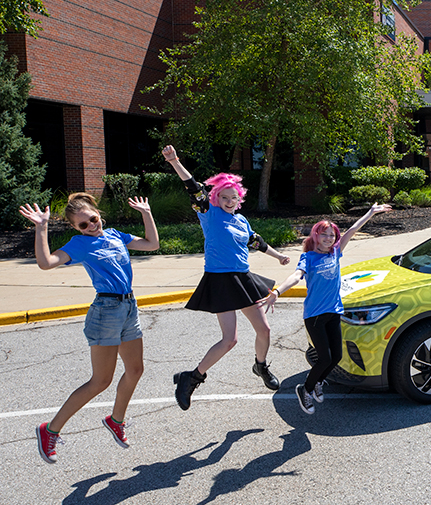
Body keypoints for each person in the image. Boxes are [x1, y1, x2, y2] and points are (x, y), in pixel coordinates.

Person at [20, 193, 159, 463]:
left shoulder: (116, 235)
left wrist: (147, 212)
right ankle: (50, 430)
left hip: (128, 307)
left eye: (92, 219)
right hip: (105, 312)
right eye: (83, 225)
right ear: (76, 228)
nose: (91, 226)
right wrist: (41, 227)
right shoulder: (79, 244)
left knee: (135, 369)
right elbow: (46, 263)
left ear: (98, 213)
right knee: (101, 381)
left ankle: (115, 420)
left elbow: (152, 244)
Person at [162, 145, 291, 411]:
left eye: (234, 197)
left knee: (264, 329)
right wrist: (175, 161)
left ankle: (261, 366)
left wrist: (278, 257)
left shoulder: (241, 221)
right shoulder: (208, 214)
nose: (230, 201)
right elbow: (194, 189)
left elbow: (256, 241)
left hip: (243, 279)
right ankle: (192, 378)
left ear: (239, 198)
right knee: (229, 339)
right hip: (220, 280)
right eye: (225, 197)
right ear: (217, 198)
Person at [260, 203, 392, 414]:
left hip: (333, 312)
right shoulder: (309, 257)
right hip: (314, 316)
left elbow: (352, 230)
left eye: (332, 235)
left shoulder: (335, 252)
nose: (329, 238)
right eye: (324, 235)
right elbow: (296, 276)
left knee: (336, 357)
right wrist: (277, 292)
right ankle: (305, 388)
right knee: (324, 358)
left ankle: (317, 382)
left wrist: (370, 213)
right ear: (315, 237)